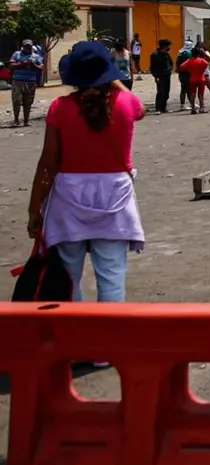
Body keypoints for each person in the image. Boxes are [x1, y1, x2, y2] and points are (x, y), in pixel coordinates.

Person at [28, 41, 145, 310]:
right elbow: (140, 108)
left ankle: (73, 344)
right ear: (108, 71)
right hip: (115, 195)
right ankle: (104, 350)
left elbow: (47, 164)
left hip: (69, 196)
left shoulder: (60, 108)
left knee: (68, 280)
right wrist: (114, 80)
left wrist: (34, 209)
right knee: (112, 278)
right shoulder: (127, 103)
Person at [9, 39, 43, 127]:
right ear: (23, 47)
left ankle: (26, 121)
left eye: (29, 46)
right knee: (16, 101)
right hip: (17, 82)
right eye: (26, 46)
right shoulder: (17, 54)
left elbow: (41, 68)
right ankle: (16, 120)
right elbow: (11, 66)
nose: (27, 48)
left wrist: (33, 65)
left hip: (30, 82)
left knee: (28, 102)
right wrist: (22, 64)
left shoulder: (36, 56)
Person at [179, 48, 210, 114]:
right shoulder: (202, 60)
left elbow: (182, 66)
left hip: (193, 79)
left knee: (192, 94)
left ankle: (193, 108)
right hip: (201, 78)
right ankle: (201, 108)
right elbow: (206, 64)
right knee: (201, 94)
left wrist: (189, 69)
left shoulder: (189, 61)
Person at [148, 39, 174, 114]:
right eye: (168, 46)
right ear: (164, 46)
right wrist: (156, 76)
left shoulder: (166, 54)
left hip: (167, 75)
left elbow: (171, 63)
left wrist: (169, 70)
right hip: (160, 76)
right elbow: (152, 67)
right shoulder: (155, 55)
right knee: (160, 92)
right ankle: (158, 108)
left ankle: (164, 107)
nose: (169, 48)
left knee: (166, 92)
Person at [176, 40, 194, 111]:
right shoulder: (188, 53)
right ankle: (190, 103)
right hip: (187, 73)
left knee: (183, 89)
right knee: (189, 89)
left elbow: (177, 63)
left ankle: (182, 104)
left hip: (181, 73)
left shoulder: (180, 52)